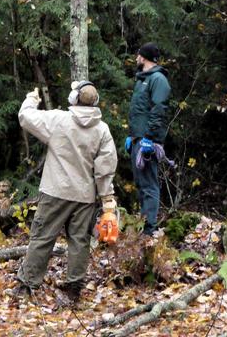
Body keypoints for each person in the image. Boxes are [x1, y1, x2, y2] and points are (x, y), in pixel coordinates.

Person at [13, 80, 118, 304]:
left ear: (73, 99)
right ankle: (74, 289)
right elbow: (105, 169)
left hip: (55, 192)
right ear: (96, 103)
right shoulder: (102, 130)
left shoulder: (58, 120)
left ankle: (26, 286)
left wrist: (32, 99)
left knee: (42, 238)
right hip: (84, 197)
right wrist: (107, 201)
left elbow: (25, 117)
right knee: (79, 242)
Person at [128, 42, 171, 236]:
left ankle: (150, 228)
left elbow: (159, 110)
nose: (136, 57)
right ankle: (143, 223)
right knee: (140, 183)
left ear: (143, 57)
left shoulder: (158, 79)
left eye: (138, 54)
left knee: (149, 184)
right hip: (138, 138)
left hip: (148, 141)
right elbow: (140, 111)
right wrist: (133, 136)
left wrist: (149, 139)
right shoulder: (141, 80)